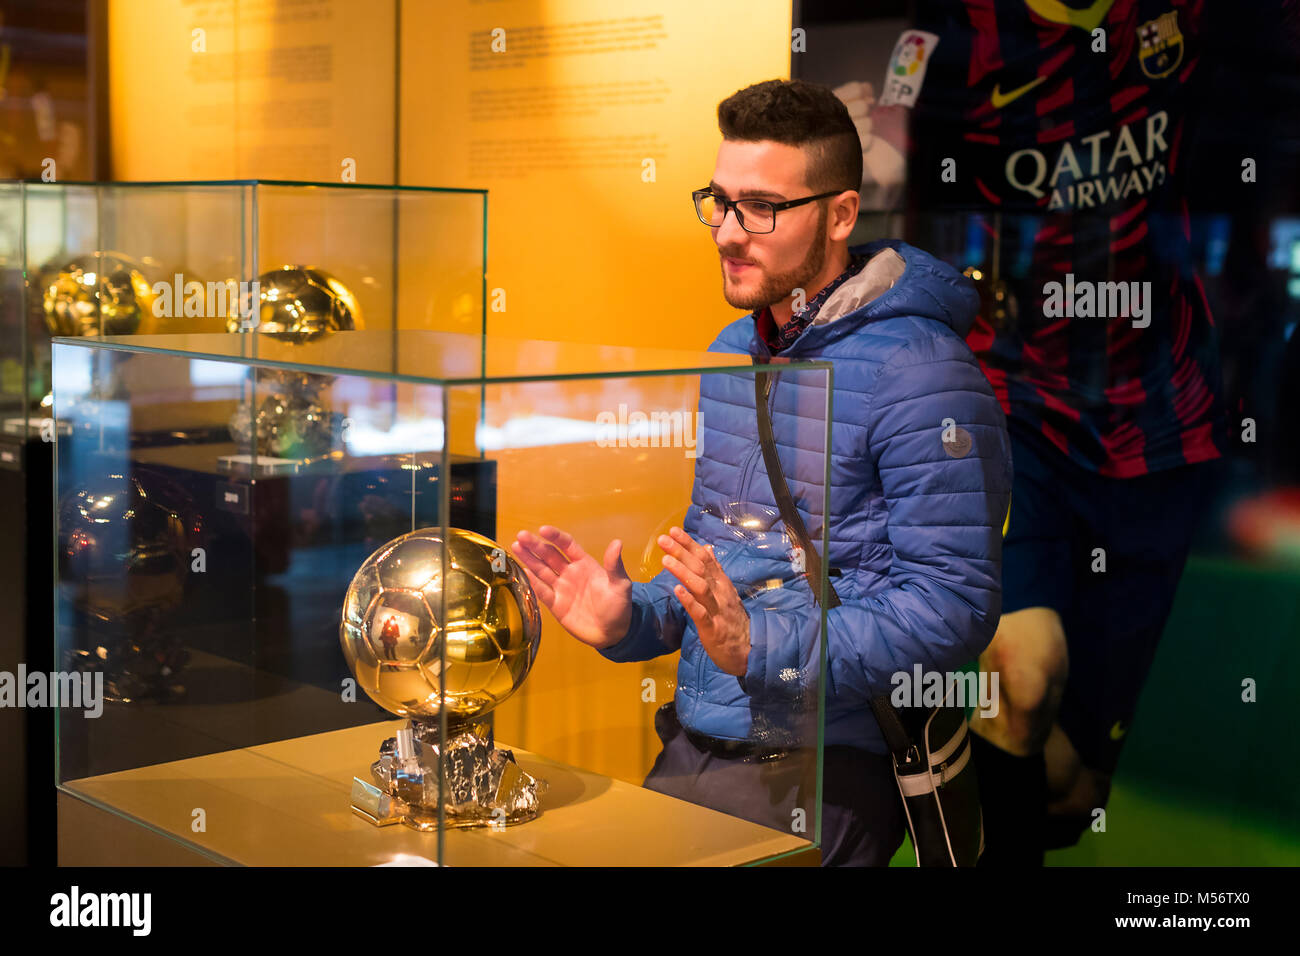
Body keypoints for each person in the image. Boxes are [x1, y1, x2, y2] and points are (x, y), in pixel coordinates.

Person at [511, 78, 1012, 866]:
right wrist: (630, 618)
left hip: (826, 769)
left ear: (842, 215)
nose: (727, 233)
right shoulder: (730, 352)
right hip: (696, 744)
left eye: (762, 208)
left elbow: (953, 608)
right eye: (718, 201)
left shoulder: (924, 371)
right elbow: (731, 570)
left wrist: (764, 645)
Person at [829, 0, 1231, 863]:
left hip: (1164, 427)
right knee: (1021, 678)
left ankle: (1007, 773)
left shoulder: (1180, 14)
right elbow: (894, 154)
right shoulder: (949, 32)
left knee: (1077, 792)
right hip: (1017, 413)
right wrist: (846, 158)